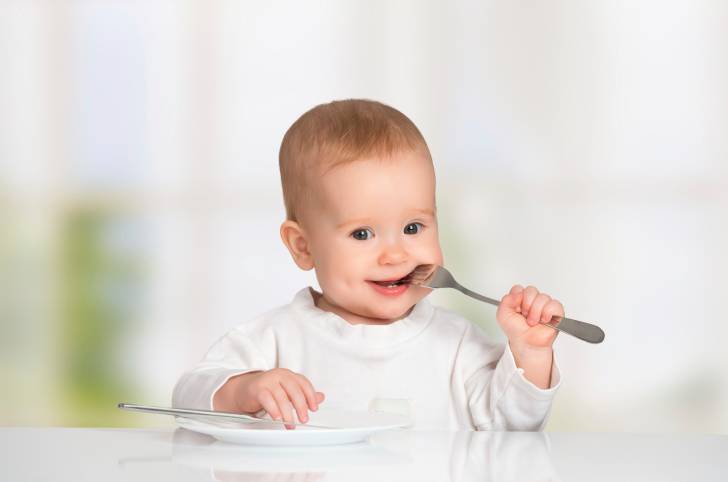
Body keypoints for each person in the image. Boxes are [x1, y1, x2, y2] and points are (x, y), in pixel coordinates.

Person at [172, 99, 564, 430]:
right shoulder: (276, 338)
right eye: (362, 234)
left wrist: (530, 354)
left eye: (413, 227)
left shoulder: (457, 345)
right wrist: (245, 389)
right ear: (303, 246)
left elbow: (514, 425)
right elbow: (187, 397)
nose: (395, 255)